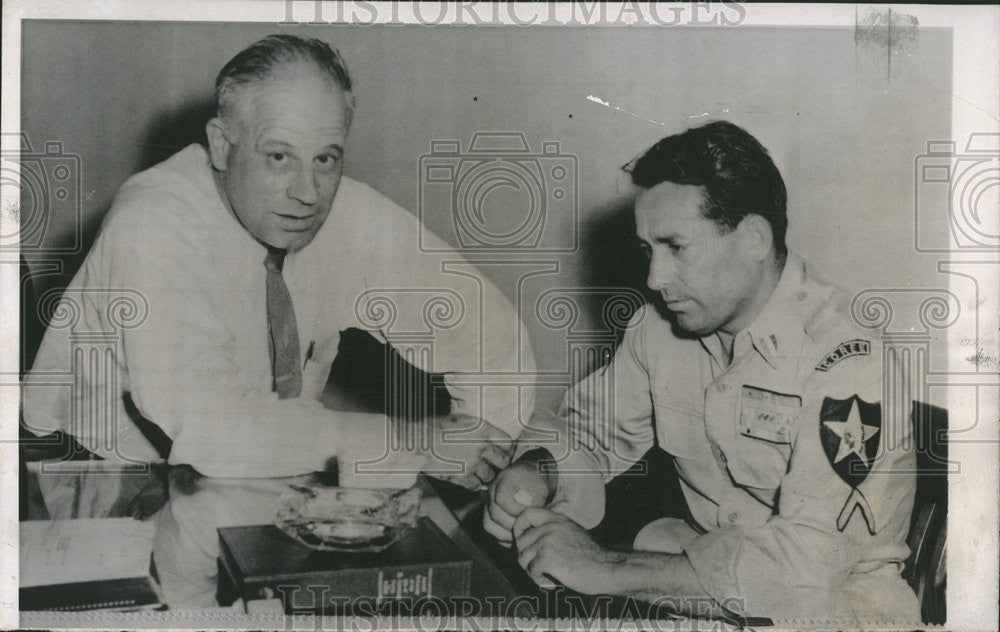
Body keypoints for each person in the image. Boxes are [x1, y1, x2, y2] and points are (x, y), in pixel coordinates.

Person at [22, 34, 534, 607]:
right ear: (222, 145)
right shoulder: (154, 225)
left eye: (326, 157)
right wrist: (413, 442)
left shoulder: (334, 211)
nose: (307, 192)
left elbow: (485, 327)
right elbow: (214, 429)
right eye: (278, 156)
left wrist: (488, 456)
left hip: (255, 475)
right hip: (98, 487)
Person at [484, 121, 919, 624]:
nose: (653, 278)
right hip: (699, 588)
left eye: (676, 247)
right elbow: (593, 430)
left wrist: (604, 566)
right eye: (648, 249)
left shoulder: (850, 358)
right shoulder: (661, 328)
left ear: (753, 237)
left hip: (831, 611)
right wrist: (538, 471)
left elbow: (807, 571)